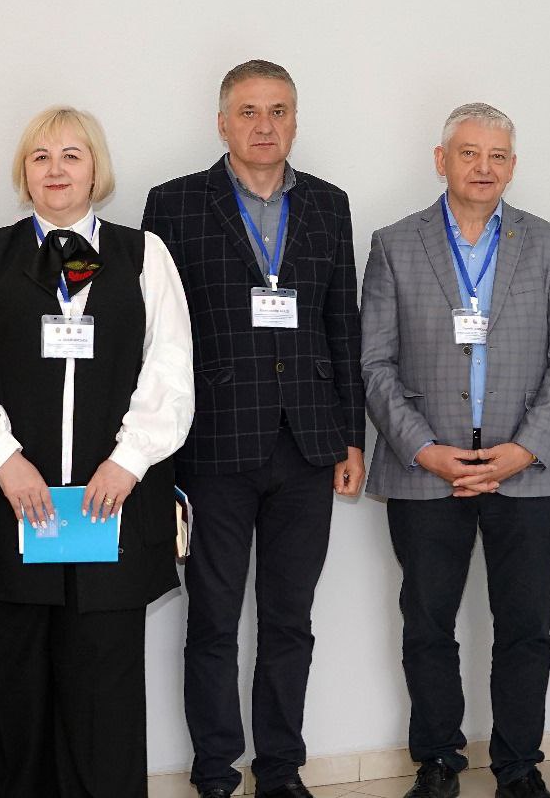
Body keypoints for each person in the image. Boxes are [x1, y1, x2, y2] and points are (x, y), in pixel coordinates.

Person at [0, 106, 193, 798]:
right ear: (23, 172)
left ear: (96, 169)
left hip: (111, 510)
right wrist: (5, 459)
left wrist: (128, 460)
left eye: (72, 155)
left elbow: (170, 371)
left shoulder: (145, 255)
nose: (56, 169)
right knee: (16, 694)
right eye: (40, 156)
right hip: (7, 511)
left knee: (105, 694)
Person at [142, 60, 365, 798]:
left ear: (295, 121)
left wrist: (352, 436)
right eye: (248, 112)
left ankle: (280, 769)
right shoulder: (173, 204)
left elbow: (342, 325)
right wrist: (157, 448)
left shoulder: (329, 205)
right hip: (212, 447)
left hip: (308, 445)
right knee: (211, 621)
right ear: (222, 123)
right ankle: (214, 771)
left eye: (278, 111)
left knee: (289, 621)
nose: (264, 125)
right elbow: (157, 335)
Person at [360, 103, 550, 798]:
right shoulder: (394, 244)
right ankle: (437, 760)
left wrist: (526, 448)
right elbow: (375, 364)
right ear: (442, 160)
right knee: (428, 623)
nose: (483, 167)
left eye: (497, 156)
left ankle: (519, 766)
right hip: (427, 472)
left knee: (526, 627)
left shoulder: (549, 243)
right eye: (469, 153)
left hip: (525, 472)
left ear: (513, 166)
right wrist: (424, 448)